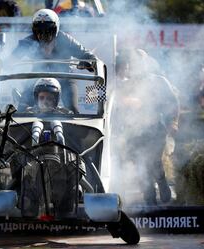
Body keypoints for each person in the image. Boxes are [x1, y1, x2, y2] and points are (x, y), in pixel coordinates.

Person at [114, 49, 180, 205]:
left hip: (155, 129)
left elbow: (173, 102)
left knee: (154, 161)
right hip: (134, 131)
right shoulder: (126, 85)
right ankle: (149, 199)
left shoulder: (159, 81)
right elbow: (119, 107)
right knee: (140, 164)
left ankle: (162, 183)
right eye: (133, 62)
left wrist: (173, 121)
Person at [12, 8, 98, 113]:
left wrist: (88, 62)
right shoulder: (27, 42)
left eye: (48, 30)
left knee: (73, 111)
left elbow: (89, 56)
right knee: (21, 110)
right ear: (34, 31)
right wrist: (4, 64)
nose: (43, 35)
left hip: (65, 77)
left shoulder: (66, 40)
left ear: (56, 29)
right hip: (36, 77)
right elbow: (10, 59)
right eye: (39, 30)